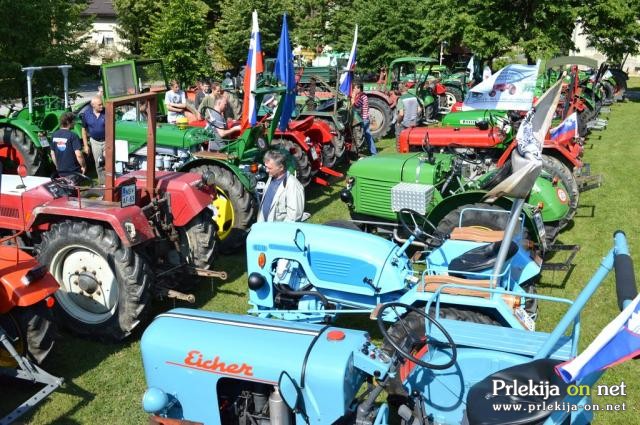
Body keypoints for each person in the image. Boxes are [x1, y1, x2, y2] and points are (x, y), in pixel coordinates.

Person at [257, 149, 305, 222]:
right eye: (266, 167)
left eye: (269, 168)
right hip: (265, 227)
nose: (266, 170)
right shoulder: (271, 177)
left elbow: (294, 217)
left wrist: (279, 232)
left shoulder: (293, 185)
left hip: (278, 231)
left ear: (281, 168)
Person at [50, 112, 87, 183]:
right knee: (74, 192)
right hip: (73, 172)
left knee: (65, 191)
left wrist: (57, 166)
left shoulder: (54, 135)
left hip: (61, 172)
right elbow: (79, 155)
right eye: (73, 121)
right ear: (68, 122)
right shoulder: (73, 136)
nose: (75, 123)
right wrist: (84, 166)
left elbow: (52, 154)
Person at [81, 96, 105, 184]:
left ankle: (111, 180)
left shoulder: (106, 112)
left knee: (107, 160)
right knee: (99, 163)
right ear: (93, 105)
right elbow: (83, 130)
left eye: (102, 104)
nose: (102, 106)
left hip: (107, 141)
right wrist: (86, 145)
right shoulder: (86, 114)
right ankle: (102, 183)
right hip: (95, 142)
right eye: (99, 105)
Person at [351, 83, 377, 155]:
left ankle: (368, 152)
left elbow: (355, 106)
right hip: (365, 119)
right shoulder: (362, 96)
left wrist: (352, 98)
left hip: (363, 119)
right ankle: (373, 152)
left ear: (359, 88)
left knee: (361, 135)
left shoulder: (362, 96)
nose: (354, 90)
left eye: (355, 88)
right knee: (367, 136)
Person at [395, 82, 420, 149]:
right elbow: (419, 110)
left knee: (399, 134)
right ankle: (413, 148)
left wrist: (398, 122)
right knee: (412, 138)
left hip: (405, 123)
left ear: (399, 90)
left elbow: (401, 114)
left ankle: (400, 148)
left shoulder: (401, 99)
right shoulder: (414, 97)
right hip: (414, 122)